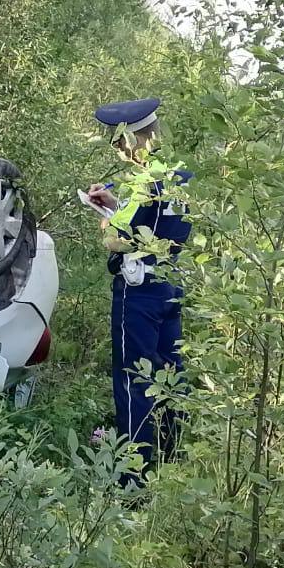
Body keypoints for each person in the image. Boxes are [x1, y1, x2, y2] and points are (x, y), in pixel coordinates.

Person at [86, 97, 192, 484]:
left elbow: (119, 238)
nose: (118, 150)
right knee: (170, 373)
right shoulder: (177, 175)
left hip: (139, 291)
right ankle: (172, 460)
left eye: (118, 142)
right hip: (170, 285)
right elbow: (156, 224)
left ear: (132, 139)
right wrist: (116, 205)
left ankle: (132, 480)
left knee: (134, 380)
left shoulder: (145, 180)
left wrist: (106, 222)